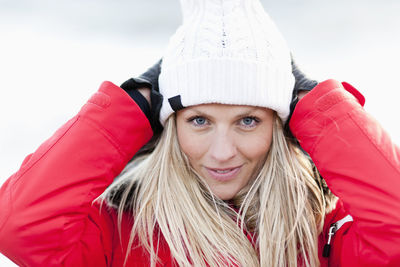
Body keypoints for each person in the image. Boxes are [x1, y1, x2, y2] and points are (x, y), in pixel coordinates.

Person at [0, 0, 399, 266]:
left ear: (282, 126)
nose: (222, 152)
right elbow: (18, 226)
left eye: (248, 120)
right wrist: (132, 104)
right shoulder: (119, 232)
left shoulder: (319, 230)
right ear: (168, 124)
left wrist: (317, 106)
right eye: (199, 121)